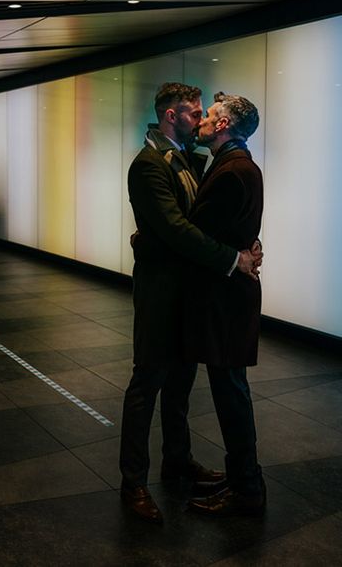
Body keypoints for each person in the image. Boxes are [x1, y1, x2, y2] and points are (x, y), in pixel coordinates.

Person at [119, 82, 261, 524]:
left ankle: (177, 461)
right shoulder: (148, 165)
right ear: (170, 115)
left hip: (188, 293)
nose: (199, 118)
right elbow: (178, 229)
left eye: (204, 112)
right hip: (162, 293)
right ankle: (134, 483)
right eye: (192, 111)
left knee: (179, 385)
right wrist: (233, 258)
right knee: (147, 385)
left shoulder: (187, 159)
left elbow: (205, 219)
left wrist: (245, 244)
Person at [185, 93, 266, 516]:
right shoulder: (239, 164)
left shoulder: (232, 170)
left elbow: (196, 234)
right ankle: (244, 482)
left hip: (226, 298)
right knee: (232, 391)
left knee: (230, 394)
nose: (201, 120)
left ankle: (246, 488)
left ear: (222, 126)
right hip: (232, 292)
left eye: (209, 116)